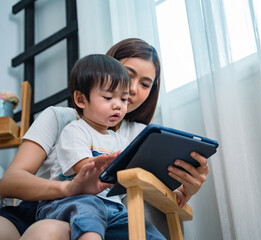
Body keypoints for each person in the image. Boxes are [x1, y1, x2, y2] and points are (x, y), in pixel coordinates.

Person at [0, 38, 210, 240]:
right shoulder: (61, 119)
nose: (133, 90)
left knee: (51, 231)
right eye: (128, 75)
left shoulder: (142, 135)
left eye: (145, 84)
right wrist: (68, 188)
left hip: (96, 214)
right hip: (38, 208)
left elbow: (159, 191)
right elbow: (10, 182)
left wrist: (187, 189)